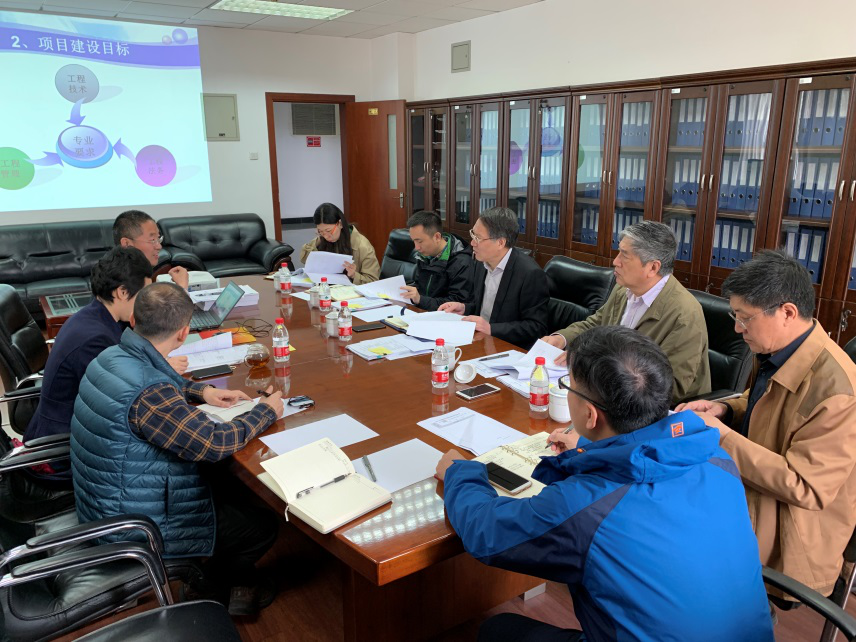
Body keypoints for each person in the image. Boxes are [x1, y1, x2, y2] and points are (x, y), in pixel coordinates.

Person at [436, 326, 774, 641]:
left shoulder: (586, 506)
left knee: (498, 629)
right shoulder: (717, 459)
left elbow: (487, 532)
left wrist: (460, 473)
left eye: (567, 385)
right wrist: (592, 449)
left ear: (589, 415)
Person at [70, 282, 284, 616]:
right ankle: (208, 586)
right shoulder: (149, 392)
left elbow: (156, 377)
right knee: (261, 526)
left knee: (225, 481)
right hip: (136, 524)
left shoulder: (112, 355)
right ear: (184, 333)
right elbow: (214, 442)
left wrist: (202, 392)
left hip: (105, 501)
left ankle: (229, 577)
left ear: (134, 320)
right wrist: (266, 411)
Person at [676, 250, 856, 604]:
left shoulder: (838, 391)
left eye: (745, 318)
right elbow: (767, 404)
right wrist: (725, 410)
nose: (737, 329)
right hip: (750, 490)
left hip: (790, 530)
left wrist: (721, 435)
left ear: (787, 312)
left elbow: (805, 487)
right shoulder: (782, 349)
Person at [540, 220, 710, 403]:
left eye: (625, 256)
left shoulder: (685, 314)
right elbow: (597, 324)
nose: (615, 261)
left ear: (653, 267)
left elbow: (671, 386)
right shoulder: (624, 289)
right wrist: (563, 338)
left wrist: (595, 366)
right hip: (611, 393)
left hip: (656, 409)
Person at [24, 247, 162, 452]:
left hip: (76, 426)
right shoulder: (95, 340)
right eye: (143, 295)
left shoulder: (95, 316)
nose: (145, 303)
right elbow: (125, 402)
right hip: (63, 445)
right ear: (122, 292)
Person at [438, 207, 548, 349]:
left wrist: (491, 328)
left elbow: (536, 327)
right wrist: (464, 308)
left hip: (509, 348)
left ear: (500, 243)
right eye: (473, 234)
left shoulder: (530, 274)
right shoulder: (481, 262)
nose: (472, 243)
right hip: (480, 341)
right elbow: (483, 308)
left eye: (478, 238)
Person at [399, 210, 473, 311]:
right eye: (414, 241)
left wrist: (421, 299)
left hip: (444, 317)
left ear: (437, 237)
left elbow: (455, 304)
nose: (416, 247)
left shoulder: (462, 262)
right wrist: (407, 291)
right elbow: (419, 285)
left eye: (419, 241)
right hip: (422, 311)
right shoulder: (424, 255)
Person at [299, 203, 380, 284]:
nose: (326, 236)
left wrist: (353, 275)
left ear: (340, 224)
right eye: (320, 231)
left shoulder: (362, 246)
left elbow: (373, 281)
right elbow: (305, 259)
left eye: (328, 231)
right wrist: (318, 241)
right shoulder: (322, 239)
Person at [114, 209, 189, 290]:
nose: (159, 246)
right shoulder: (120, 285)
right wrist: (182, 287)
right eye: (152, 240)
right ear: (126, 243)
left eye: (158, 238)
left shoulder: (141, 276)